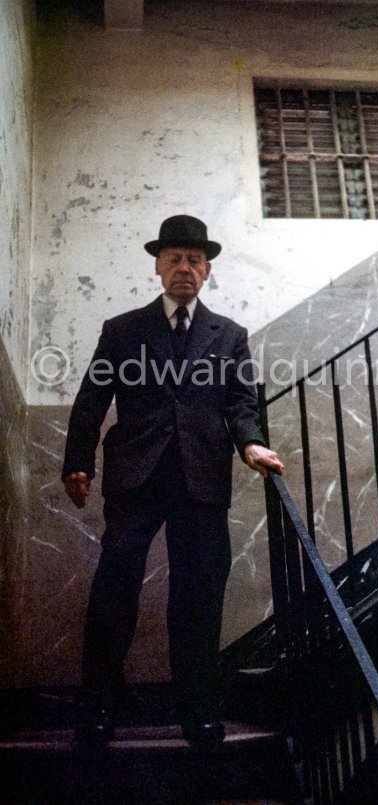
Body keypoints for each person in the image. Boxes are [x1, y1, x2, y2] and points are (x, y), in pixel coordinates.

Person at [62, 214, 283, 746]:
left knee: (200, 595)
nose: (184, 268)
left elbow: (239, 400)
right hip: (135, 477)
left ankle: (200, 711)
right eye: (175, 259)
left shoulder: (228, 335)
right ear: (159, 267)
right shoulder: (121, 330)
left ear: (207, 271)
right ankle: (99, 707)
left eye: (194, 260)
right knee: (114, 590)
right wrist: (79, 460)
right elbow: (94, 398)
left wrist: (250, 443)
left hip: (201, 477)